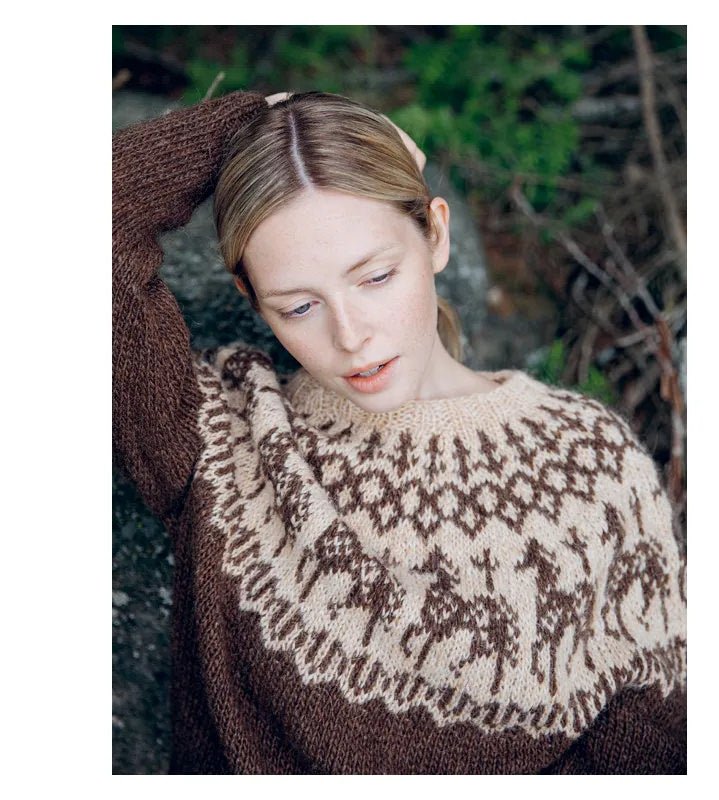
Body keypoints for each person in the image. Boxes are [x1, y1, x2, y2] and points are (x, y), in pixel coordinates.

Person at [112, 89, 687, 774]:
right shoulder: (221, 437)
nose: (351, 336)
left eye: (377, 277)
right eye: (298, 307)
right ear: (252, 299)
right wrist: (254, 123)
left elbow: (653, 740)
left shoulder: (591, 461)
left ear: (436, 234)